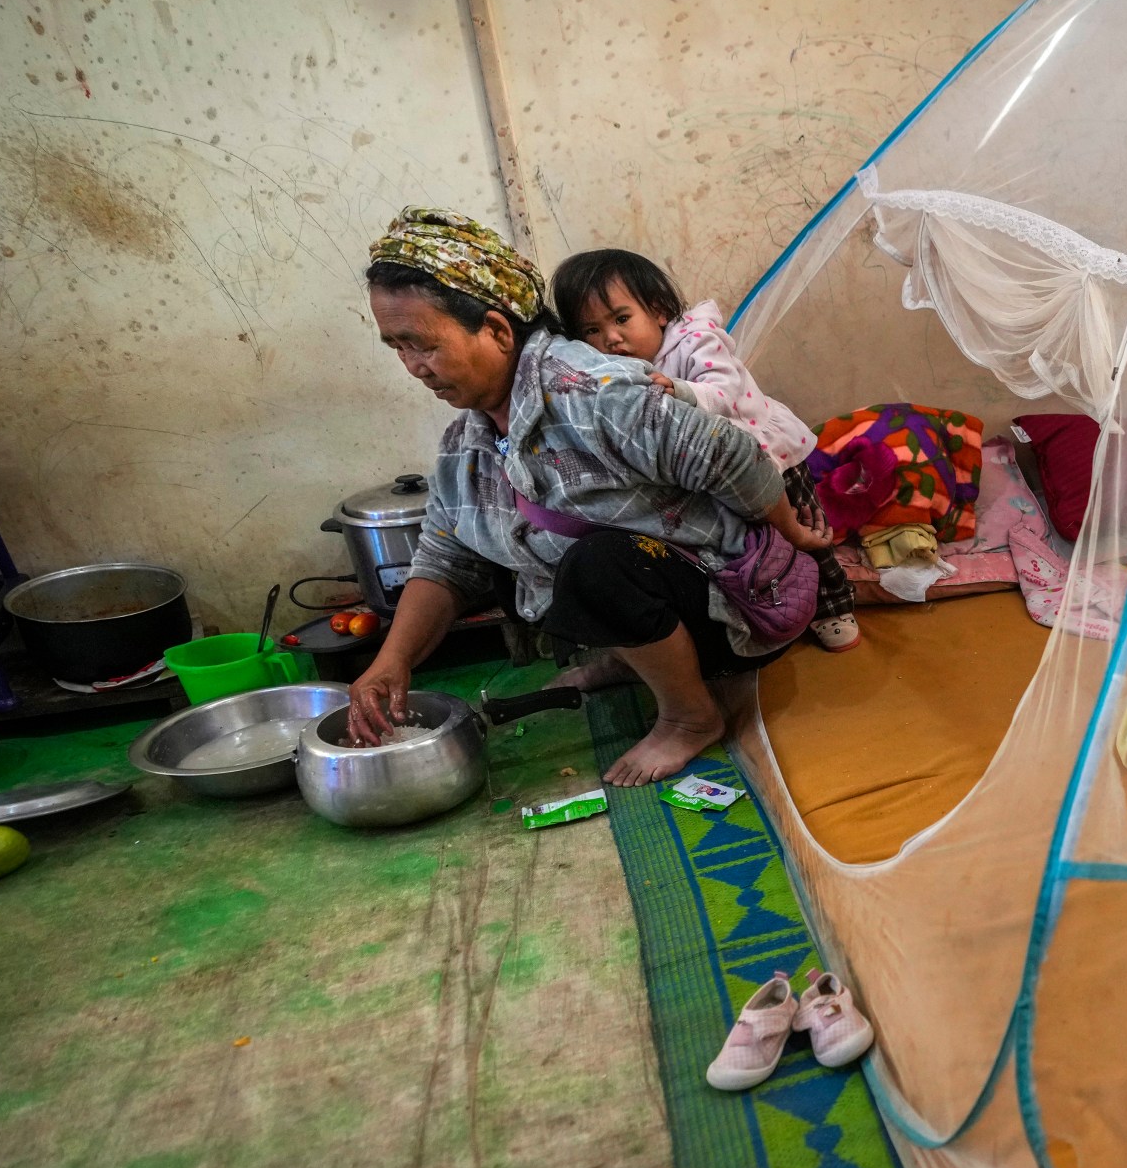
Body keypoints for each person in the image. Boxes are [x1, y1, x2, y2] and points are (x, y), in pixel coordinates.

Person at [350, 208, 832, 785]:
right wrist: (392, 661)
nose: (412, 367)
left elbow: (732, 454)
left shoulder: (592, 394)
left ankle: (689, 715)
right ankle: (634, 662)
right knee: (511, 558)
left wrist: (790, 531)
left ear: (499, 331)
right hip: (664, 589)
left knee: (597, 566)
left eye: (421, 345)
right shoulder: (469, 440)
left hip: (739, 605)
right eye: (397, 348)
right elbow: (447, 553)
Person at [551, 247, 861, 651]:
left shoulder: (696, 339)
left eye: (622, 319)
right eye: (591, 331)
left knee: (809, 531)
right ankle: (778, 601)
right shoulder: (616, 372)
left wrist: (679, 390)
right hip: (722, 475)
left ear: (659, 310)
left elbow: (725, 391)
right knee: (759, 544)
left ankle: (833, 605)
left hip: (772, 454)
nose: (610, 338)